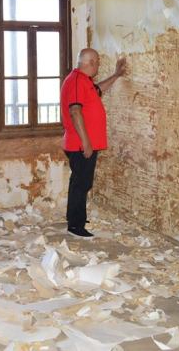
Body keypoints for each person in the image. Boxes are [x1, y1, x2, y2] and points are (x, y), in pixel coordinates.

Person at [60, 48, 126, 238]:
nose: (98, 65)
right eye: (97, 61)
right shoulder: (76, 81)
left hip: (83, 143)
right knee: (81, 183)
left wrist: (116, 75)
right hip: (80, 144)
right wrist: (86, 142)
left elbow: (98, 90)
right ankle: (75, 226)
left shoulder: (84, 81)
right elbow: (75, 111)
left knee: (80, 181)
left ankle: (75, 217)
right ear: (90, 62)